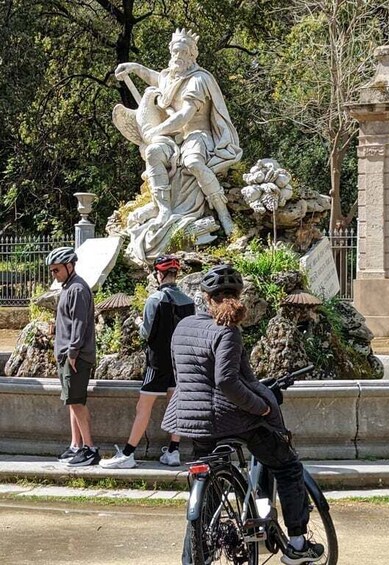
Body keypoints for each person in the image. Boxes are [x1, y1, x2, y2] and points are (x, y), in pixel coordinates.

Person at [162, 264, 324, 565]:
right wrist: (262, 406)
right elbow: (226, 383)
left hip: (191, 422)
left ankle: (195, 557)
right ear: (238, 296)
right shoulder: (228, 331)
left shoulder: (182, 327)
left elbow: (188, 377)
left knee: (208, 488)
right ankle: (298, 545)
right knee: (287, 466)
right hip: (230, 419)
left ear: (204, 297)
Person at [114, 28, 241, 234]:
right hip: (173, 137)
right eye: (175, 52)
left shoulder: (198, 80)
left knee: (192, 162)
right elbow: (156, 79)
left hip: (198, 135)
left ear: (192, 55)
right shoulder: (171, 78)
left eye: (183, 52)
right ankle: (163, 209)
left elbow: (184, 116)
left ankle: (223, 213)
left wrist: (157, 130)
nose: (178, 56)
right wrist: (135, 67)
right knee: (153, 152)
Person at [100, 255, 195, 469]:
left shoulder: (154, 300)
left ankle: (128, 454)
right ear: (176, 274)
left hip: (156, 362)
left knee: (143, 407)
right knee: (175, 406)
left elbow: (146, 333)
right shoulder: (189, 301)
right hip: (178, 362)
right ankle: (173, 451)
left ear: (159, 274)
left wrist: (137, 322)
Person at [48, 247, 100, 467]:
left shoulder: (77, 289)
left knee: (77, 402)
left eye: (56, 270)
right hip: (68, 355)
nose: (54, 274)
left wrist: (72, 352)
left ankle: (90, 449)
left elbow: (80, 324)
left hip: (75, 357)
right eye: (52, 271)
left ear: (69, 266)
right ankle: (76, 446)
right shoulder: (69, 287)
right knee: (72, 401)